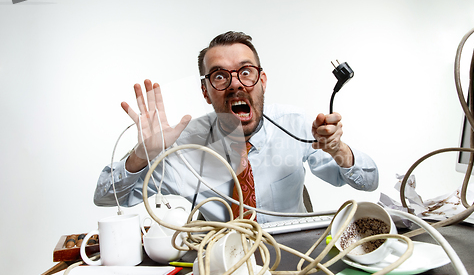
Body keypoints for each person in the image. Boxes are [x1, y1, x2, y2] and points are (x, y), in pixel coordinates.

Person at [94, 31, 379, 223]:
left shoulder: (294, 124)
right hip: (223, 267)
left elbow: (368, 181)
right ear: (206, 91)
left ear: (262, 81)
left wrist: (339, 150)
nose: (235, 84)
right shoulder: (184, 145)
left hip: (295, 259)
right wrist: (142, 155)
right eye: (219, 76)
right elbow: (106, 197)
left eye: (245, 72)